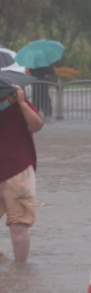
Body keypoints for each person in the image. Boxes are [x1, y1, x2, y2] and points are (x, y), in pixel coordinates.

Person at [0, 84, 44, 262]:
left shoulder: (20, 105)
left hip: (18, 172)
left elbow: (37, 125)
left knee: (18, 225)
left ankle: (20, 271)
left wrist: (21, 102)